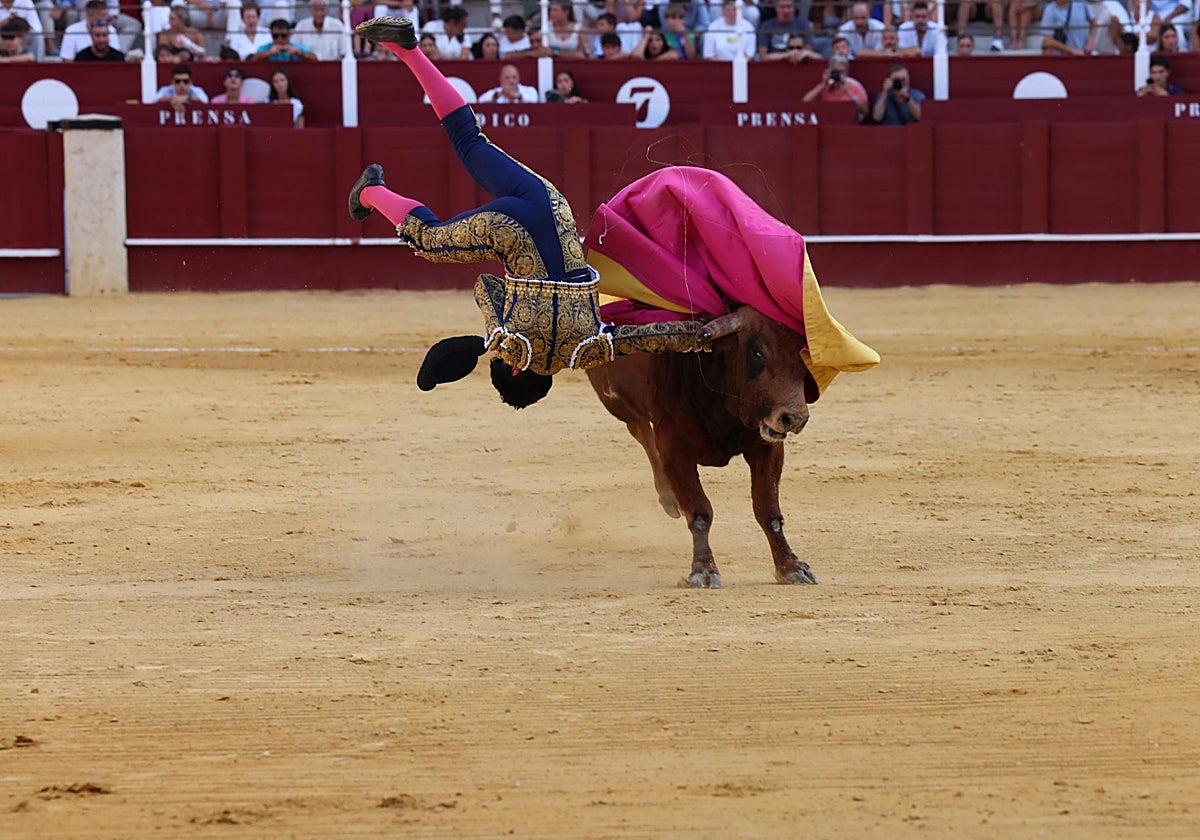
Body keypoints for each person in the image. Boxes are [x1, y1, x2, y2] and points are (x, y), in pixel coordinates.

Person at [347, 16, 707, 407]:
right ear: (517, 368)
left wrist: (705, 333)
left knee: (470, 140)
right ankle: (370, 191)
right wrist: (494, 332)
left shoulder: (590, 348)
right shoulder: (508, 339)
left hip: (551, 206)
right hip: (510, 230)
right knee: (430, 240)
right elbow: (486, 285)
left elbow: (651, 337)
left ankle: (409, 49)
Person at [801, 54, 868, 120]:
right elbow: (805, 102)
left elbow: (865, 110)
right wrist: (823, 84)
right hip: (828, 120)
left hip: (848, 122)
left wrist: (849, 92)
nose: (838, 74)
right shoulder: (826, 86)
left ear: (846, 72)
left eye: (841, 72)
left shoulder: (855, 86)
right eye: (835, 71)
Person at [252, 17, 316, 60]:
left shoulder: (297, 47)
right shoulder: (266, 48)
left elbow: (314, 58)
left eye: (283, 35)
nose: (279, 39)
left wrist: (300, 53)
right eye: (275, 36)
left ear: (289, 35)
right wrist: (268, 53)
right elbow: (253, 60)